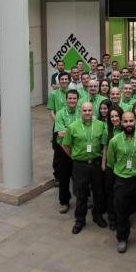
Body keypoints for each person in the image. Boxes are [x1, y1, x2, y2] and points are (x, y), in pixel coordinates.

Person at [106, 110, 136, 252]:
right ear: (120, 122)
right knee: (121, 210)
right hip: (122, 180)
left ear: (135, 121)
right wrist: (121, 171)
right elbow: (111, 161)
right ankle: (122, 237)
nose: (128, 124)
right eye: (125, 121)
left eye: (131, 121)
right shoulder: (114, 141)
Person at [61, 101, 107, 234]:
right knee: (81, 194)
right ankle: (80, 220)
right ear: (80, 111)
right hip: (80, 165)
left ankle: (97, 216)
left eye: (89, 110)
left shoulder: (100, 125)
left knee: (98, 192)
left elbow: (104, 145)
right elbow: (65, 145)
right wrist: (74, 157)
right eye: (84, 110)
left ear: (93, 111)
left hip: (96, 164)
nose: (87, 113)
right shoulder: (73, 127)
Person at [51, 85, 78, 213]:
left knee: (79, 177)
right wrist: (74, 131)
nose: (72, 101)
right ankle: (64, 201)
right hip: (63, 149)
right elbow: (60, 134)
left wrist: (68, 131)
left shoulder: (81, 112)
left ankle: (82, 199)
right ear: (66, 100)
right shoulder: (60, 113)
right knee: (64, 177)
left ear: (78, 100)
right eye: (70, 98)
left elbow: (67, 132)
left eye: (74, 98)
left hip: (78, 149)